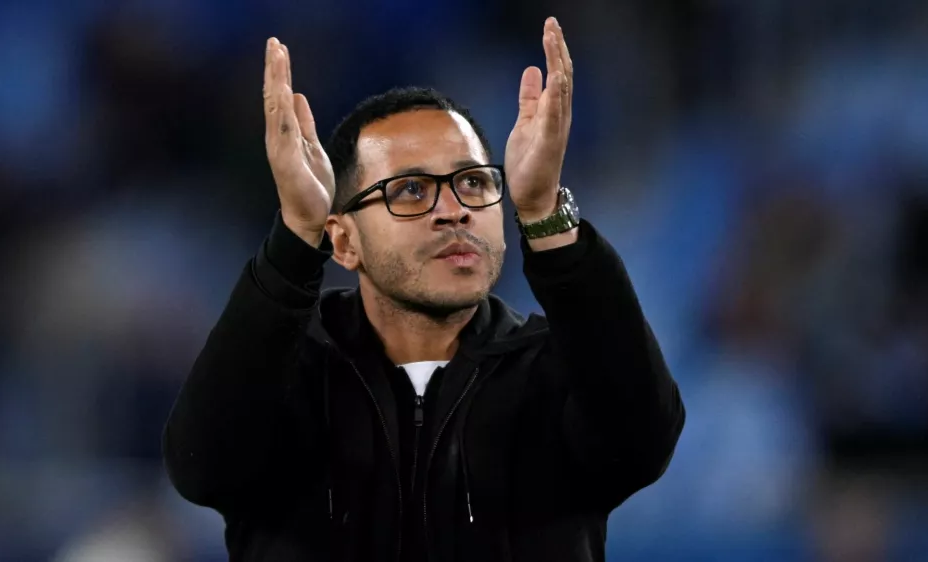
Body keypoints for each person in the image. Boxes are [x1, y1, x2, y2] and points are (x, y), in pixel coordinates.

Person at [163, 17, 685, 562]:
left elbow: (642, 442)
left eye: (474, 182)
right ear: (343, 242)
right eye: (410, 190)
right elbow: (203, 466)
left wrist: (544, 212)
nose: (454, 210)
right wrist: (295, 239)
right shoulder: (288, 374)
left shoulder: (557, 371)